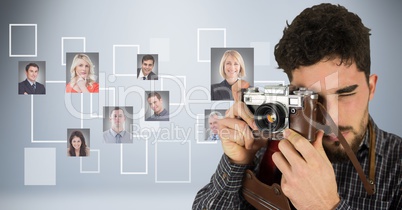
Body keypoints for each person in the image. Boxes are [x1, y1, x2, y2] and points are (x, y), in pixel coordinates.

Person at [193, 3, 401, 210]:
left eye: (345, 94)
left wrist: (325, 206)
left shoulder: (397, 165)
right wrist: (237, 163)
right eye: (311, 98)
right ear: (291, 93)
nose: (331, 119)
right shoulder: (268, 143)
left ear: (371, 87)